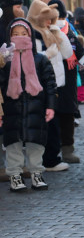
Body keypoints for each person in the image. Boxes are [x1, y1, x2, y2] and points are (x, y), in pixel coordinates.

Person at [0, 18, 57, 192]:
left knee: (36, 143)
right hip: (12, 108)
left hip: (36, 109)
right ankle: (15, 175)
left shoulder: (40, 59)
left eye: (23, 34)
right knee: (13, 144)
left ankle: (36, 173)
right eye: (15, 34)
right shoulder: (4, 60)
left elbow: (49, 84)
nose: (19, 37)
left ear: (30, 35)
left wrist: (50, 105)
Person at [26, 0, 73, 172]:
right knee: (49, 123)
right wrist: (47, 54)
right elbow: (32, 60)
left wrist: (59, 35)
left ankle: (51, 157)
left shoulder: (50, 31)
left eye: (50, 19)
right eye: (46, 19)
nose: (49, 22)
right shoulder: (33, 34)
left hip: (56, 84)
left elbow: (68, 53)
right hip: (43, 84)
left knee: (54, 122)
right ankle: (50, 160)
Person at [48, 0, 84, 165]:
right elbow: (82, 55)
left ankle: (54, 152)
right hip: (67, 80)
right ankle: (67, 151)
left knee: (53, 115)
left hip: (50, 80)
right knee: (67, 115)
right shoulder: (71, 31)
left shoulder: (44, 31)